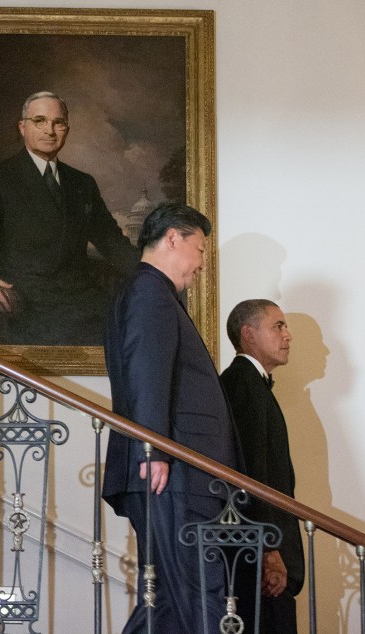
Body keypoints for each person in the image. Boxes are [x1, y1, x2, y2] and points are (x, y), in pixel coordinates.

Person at [102, 202, 240, 633]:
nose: (201, 264)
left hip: (175, 471)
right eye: (201, 249)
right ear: (173, 238)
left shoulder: (149, 292)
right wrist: (154, 449)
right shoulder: (150, 292)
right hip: (174, 472)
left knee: (164, 604)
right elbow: (147, 371)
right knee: (201, 594)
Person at [0, 91, 140, 346]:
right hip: (24, 301)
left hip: (82, 301)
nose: (50, 130)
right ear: (22, 127)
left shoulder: (82, 183)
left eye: (58, 123)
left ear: (66, 130)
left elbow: (112, 241)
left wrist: (152, 274)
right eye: (40, 121)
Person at [220, 300, 304, 633]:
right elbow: (250, 473)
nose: (288, 336)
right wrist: (268, 548)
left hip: (267, 552)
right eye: (278, 326)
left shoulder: (252, 384)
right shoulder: (243, 384)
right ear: (248, 334)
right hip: (262, 559)